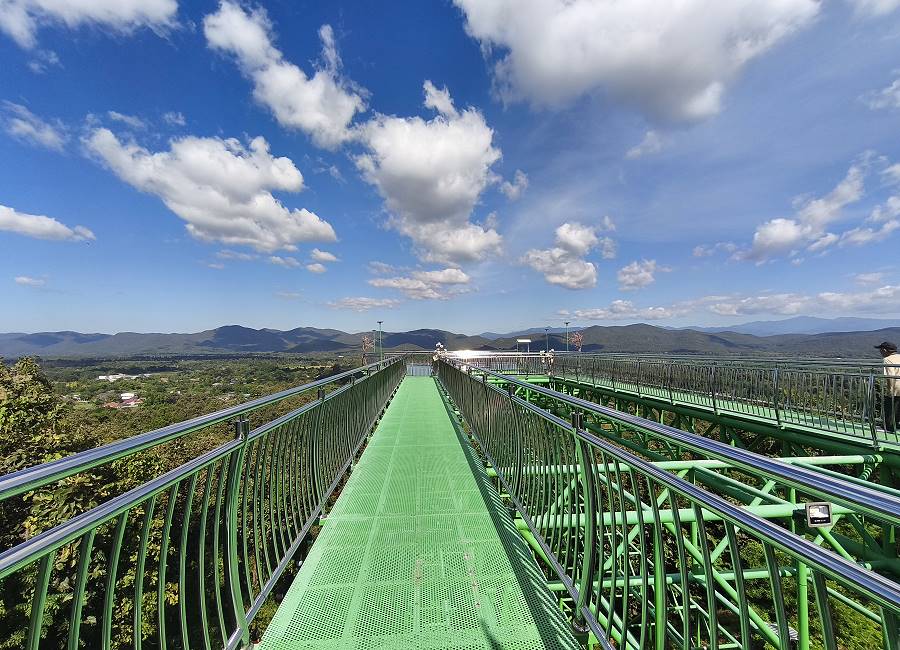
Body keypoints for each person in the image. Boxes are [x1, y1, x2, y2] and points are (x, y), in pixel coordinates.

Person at [876, 341, 900, 432]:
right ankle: (896, 424)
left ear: (884, 350)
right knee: (898, 407)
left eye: (880, 350)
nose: (880, 352)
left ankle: (888, 427)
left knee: (889, 406)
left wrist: (890, 390)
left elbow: (890, 375)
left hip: (896, 387)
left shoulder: (887, 359)